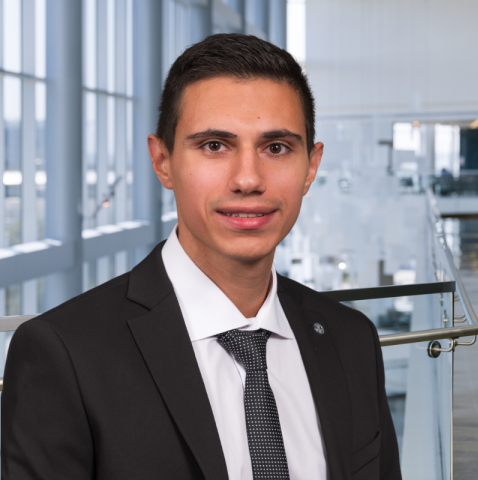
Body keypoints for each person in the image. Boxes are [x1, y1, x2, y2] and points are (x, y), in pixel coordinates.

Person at [2, 34, 401, 480]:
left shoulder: (351, 340)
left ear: (310, 166)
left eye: (276, 148)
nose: (248, 179)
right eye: (214, 145)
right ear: (163, 161)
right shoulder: (67, 354)